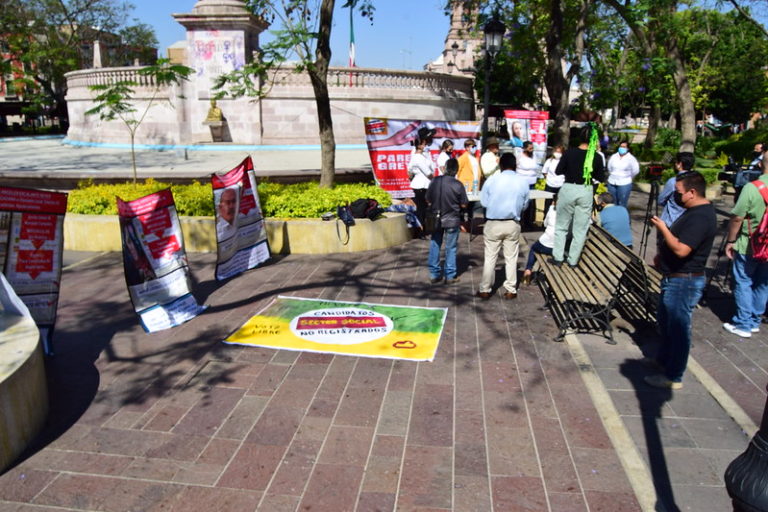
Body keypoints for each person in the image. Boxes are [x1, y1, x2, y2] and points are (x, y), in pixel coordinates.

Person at [645, 171, 717, 389]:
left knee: (678, 329)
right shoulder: (693, 211)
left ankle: (674, 375)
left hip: (684, 281)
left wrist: (663, 229)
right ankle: (663, 361)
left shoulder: (701, 217)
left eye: (679, 192)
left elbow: (682, 249)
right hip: (674, 278)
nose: (675, 196)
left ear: (692, 192)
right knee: (667, 325)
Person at [723, 146, 768, 338]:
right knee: (763, 283)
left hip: (749, 243)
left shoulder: (752, 187)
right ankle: (755, 320)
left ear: (760, 164)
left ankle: (743, 323)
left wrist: (730, 240)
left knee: (743, 281)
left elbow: (737, 218)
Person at [476, 152, 530, 300]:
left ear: (500, 165)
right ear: (515, 165)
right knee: (511, 258)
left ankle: (485, 289)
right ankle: (511, 289)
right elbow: (525, 205)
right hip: (512, 223)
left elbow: (484, 203)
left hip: (493, 223)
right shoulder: (522, 182)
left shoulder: (492, 180)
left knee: (490, 257)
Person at [551, 123, 606, 267]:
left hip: (569, 188)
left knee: (561, 226)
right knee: (580, 229)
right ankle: (573, 260)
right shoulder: (597, 157)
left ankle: (557, 257)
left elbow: (558, 171)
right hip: (586, 190)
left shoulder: (569, 153)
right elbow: (601, 177)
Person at [426, 158, 468, 284]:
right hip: (452, 219)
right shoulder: (458, 184)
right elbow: (464, 204)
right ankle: (450, 275)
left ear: (445, 168)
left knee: (435, 244)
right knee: (451, 247)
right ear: (456, 170)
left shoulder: (435, 181)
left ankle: (434, 274)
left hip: (436, 219)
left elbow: (427, 199)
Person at [522, 198, 557, 286]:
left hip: (545, 243)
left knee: (533, 249)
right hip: (558, 248)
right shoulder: (570, 212)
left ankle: (528, 270)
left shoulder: (552, 209)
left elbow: (545, 224)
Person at [659, 152, 694, 227]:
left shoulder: (673, 181)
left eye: (676, 162)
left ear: (679, 164)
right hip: (688, 224)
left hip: (670, 222)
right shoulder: (696, 181)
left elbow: (661, 200)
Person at [408, 135, 435, 228]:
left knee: (423, 208)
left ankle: (421, 227)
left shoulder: (423, 155)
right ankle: (420, 228)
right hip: (421, 185)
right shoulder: (417, 157)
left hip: (424, 185)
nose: (426, 145)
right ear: (419, 145)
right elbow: (427, 172)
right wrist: (435, 181)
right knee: (421, 208)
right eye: (424, 144)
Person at [606, 141, 640, 209]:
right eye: (621, 146)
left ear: (627, 148)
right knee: (612, 203)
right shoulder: (614, 156)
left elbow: (635, 170)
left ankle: (621, 218)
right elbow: (609, 167)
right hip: (612, 182)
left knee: (622, 204)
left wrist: (627, 177)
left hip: (624, 183)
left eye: (624, 147)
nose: (622, 148)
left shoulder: (631, 158)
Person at [541, 145, 564, 215]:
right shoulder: (549, 161)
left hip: (560, 185)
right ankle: (545, 220)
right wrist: (549, 179)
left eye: (559, 152)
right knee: (547, 204)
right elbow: (544, 172)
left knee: (560, 204)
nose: (557, 153)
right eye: (556, 152)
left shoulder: (564, 161)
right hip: (550, 185)